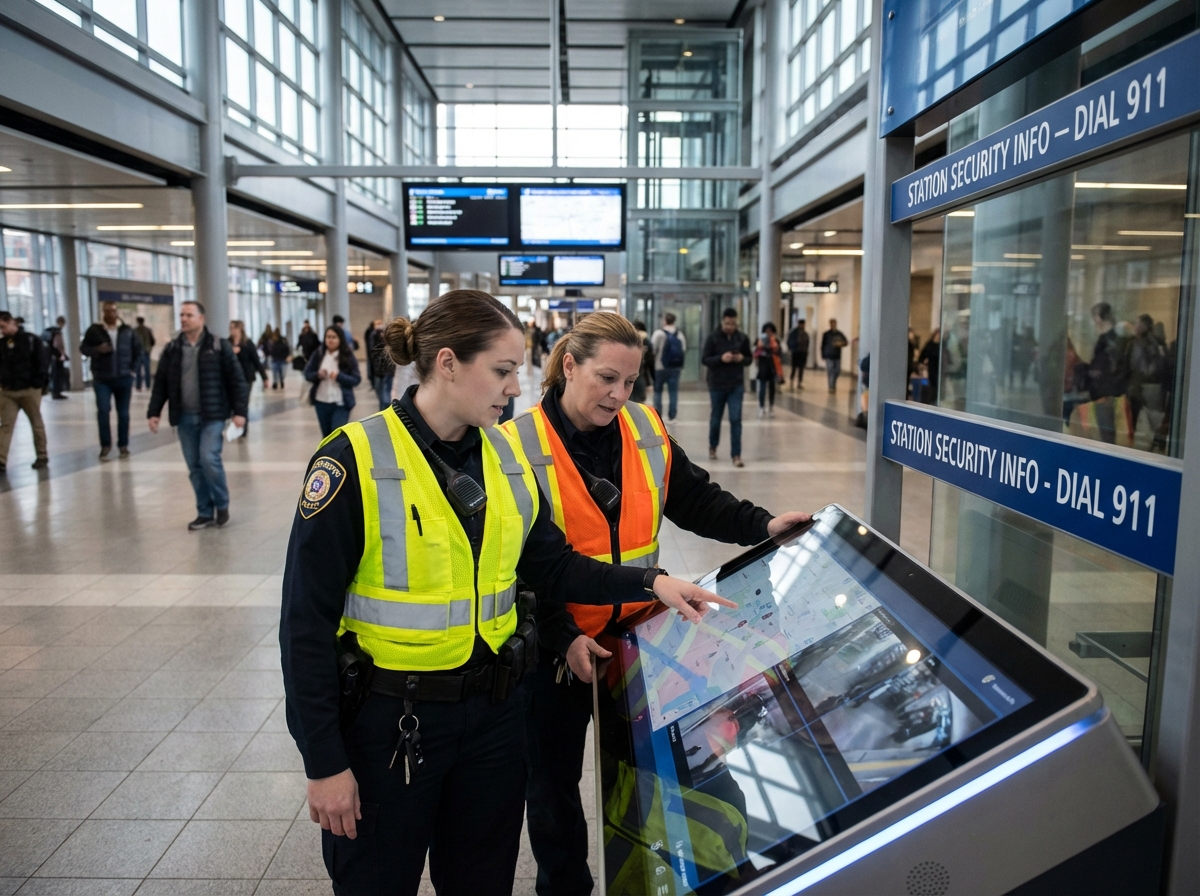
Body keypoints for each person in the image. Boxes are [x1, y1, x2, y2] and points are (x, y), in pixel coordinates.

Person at [279, 289, 731, 896]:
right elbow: (304, 624)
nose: (515, 387)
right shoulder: (355, 460)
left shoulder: (503, 457)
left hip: (492, 722)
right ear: (446, 363)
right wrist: (325, 762)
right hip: (393, 726)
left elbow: (556, 567)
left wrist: (650, 582)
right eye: (501, 371)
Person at [504, 313, 811, 896]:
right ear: (568, 365)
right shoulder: (518, 445)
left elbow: (696, 500)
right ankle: (565, 886)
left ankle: (691, 875)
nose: (619, 395)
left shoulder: (644, 428)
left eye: (630, 381)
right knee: (551, 790)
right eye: (605, 378)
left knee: (681, 770)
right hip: (559, 649)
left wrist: (763, 525)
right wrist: (562, 633)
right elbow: (523, 565)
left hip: (644, 641)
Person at [147, 301, 248, 530]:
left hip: (212, 416)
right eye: (181, 315)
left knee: (208, 459)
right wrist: (154, 412)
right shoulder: (173, 349)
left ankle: (221, 504)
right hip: (184, 417)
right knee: (194, 466)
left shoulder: (217, 346)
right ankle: (204, 511)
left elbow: (237, 381)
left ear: (201, 319)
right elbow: (161, 383)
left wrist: (240, 413)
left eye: (189, 315)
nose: (183, 319)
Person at [81, 301, 143, 461]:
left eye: (113, 311)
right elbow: (84, 348)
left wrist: (132, 370)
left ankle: (123, 445)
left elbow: (138, 350)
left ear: (117, 312)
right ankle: (105, 445)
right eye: (107, 311)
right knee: (103, 411)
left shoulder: (127, 331)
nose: (110, 314)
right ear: (103, 312)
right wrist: (96, 350)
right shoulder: (94, 330)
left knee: (123, 414)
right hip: (102, 378)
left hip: (123, 378)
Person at [0, 310, 50, 472]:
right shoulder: (2, 344)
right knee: (6, 426)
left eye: (3, 326)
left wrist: (37, 384)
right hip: (8, 391)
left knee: (36, 423)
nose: (2, 331)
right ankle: (1, 460)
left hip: (29, 390)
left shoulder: (31, 340)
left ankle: (42, 455)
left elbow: (42, 363)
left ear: (12, 322)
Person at [702, 308, 752, 467]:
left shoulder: (742, 338)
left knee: (736, 419)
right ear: (722, 322)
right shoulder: (713, 338)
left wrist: (741, 358)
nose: (730, 326)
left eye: (732, 323)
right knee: (716, 417)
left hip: (736, 384)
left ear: (736, 322)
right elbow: (705, 359)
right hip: (717, 384)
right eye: (727, 323)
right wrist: (721, 358)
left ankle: (736, 455)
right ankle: (713, 446)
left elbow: (749, 359)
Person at [305, 325, 362, 437]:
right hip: (321, 402)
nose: (330, 340)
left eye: (334, 337)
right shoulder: (319, 353)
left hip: (341, 403)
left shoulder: (347, 355)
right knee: (326, 437)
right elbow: (307, 374)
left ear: (340, 339)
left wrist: (339, 376)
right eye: (328, 337)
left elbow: (356, 379)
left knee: (336, 436)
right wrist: (318, 375)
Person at [1087, 302, 1128, 444]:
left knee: (1106, 432)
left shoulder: (1108, 340)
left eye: (1094, 316)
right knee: (1105, 431)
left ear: (1099, 317)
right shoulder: (1111, 338)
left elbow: (1108, 369)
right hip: (1104, 392)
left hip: (1104, 393)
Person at [230, 320, 268, 440]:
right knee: (233, 404)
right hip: (231, 380)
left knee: (243, 403)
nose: (231, 331)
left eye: (234, 328)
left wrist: (264, 377)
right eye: (230, 328)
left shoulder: (247, 343)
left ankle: (242, 430)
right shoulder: (227, 343)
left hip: (246, 379)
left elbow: (256, 361)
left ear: (240, 329)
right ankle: (236, 426)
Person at [650, 312, 686, 421]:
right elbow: (683, 349)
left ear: (665, 320)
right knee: (673, 392)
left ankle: (657, 416)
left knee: (657, 391)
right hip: (675, 368)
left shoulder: (658, 333)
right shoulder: (679, 334)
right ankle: (672, 416)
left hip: (659, 367)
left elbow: (653, 349)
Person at [754, 322, 783, 418]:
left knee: (772, 388)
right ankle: (761, 407)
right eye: (767, 331)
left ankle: (771, 407)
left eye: (770, 331)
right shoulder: (760, 341)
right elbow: (755, 352)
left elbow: (780, 353)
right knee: (762, 388)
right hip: (763, 367)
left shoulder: (776, 341)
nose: (769, 333)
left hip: (773, 367)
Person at [368, 319, 395, 411]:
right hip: (381, 369)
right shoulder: (374, 335)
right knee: (383, 393)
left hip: (386, 370)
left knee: (385, 394)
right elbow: (373, 353)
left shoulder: (381, 335)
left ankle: (385, 410)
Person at [43, 316, 70, 399]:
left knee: (55, 375)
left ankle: (55, 392)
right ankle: (57, 392)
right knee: (58, 375)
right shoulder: (57, 332)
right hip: (57, 356)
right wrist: (62, 355)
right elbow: (58, 345)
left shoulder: (50, 331)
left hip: (52, 356)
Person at [629, 319, 653, 404]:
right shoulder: (647, 342)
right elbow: (649, 363)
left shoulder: (627, 342)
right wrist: (649, 382)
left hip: (626, 379)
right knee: (639, 405)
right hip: (640, 377)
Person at [821, 318, 848, 394]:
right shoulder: (826, 334)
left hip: (837, 355)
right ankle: (831, 387)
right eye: (832, 323)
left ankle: (833, 384)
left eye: (834, 323)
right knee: (830, 371)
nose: (833, 325)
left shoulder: (839, 334)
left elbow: (845, 342)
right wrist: (823, 354)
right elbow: (823, 345)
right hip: (829, 355)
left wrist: (840, 344)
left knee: (837, 371)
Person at [918, 329, 941, 404]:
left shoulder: (940, 346)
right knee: (926, 386)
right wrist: (923, 365)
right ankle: (926, 400)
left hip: (937, 370)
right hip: (929, 370)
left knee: (934, 387)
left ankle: (932, 400)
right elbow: (922, 357)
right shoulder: (930, 345)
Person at [133, 316, 155, 390]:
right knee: (147, 370)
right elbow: (152, 341)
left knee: (138, 370)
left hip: (138, 352)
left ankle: (138, 386)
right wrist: (149, 348)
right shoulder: (148, 330)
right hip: (146, 351)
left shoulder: (135, 330)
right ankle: (148, 385)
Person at [786, 318, 809, 389]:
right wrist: (791, 349)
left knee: (801, 368)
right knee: (794, 367)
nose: (802, 326)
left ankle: (799, 382)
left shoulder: (805, 333)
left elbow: (807, 343)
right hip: (796, 352)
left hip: (803, 352)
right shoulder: (794, 333)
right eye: (801, 324)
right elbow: (789, 341)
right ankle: (791, 381)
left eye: (803, 324)